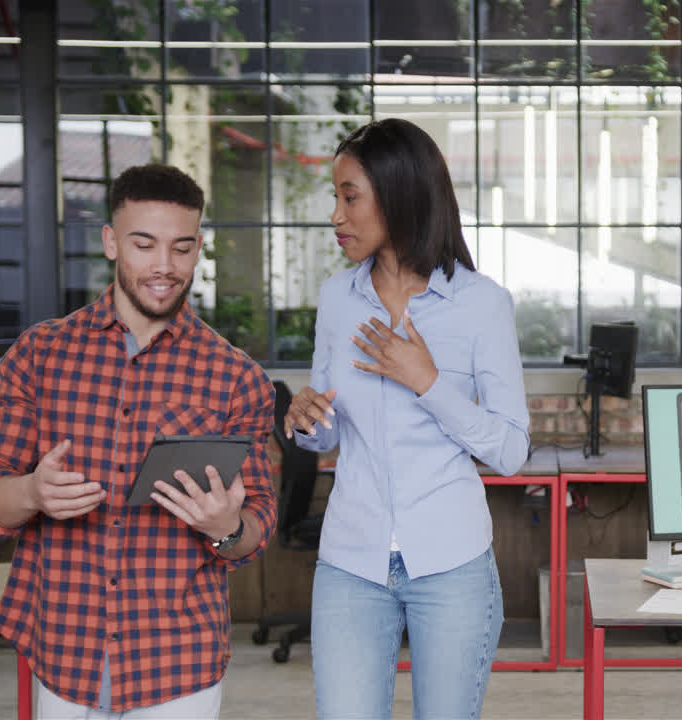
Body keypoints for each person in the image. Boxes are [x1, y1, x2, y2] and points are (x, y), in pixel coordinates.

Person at [0, 164, 277, 719]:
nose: (164, 266)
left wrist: (225, 528)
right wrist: (33, 494)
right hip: (64, 648)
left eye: (181, 248)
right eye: (144, 244)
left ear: (198, 247)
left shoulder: (236, 377)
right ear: (111, 242)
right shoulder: (41, 354)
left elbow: (257, 523)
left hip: (178, 661)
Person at [285, 118, 529, 719]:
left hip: (452, 565)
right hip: (350, 562)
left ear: (398, 195)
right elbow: (328, 432)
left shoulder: (481, 304)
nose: (337, 216)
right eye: (335, 198)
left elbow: (511, 449)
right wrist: (305, 420)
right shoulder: (337, 301)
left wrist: (428, 383)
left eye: (350, 197)